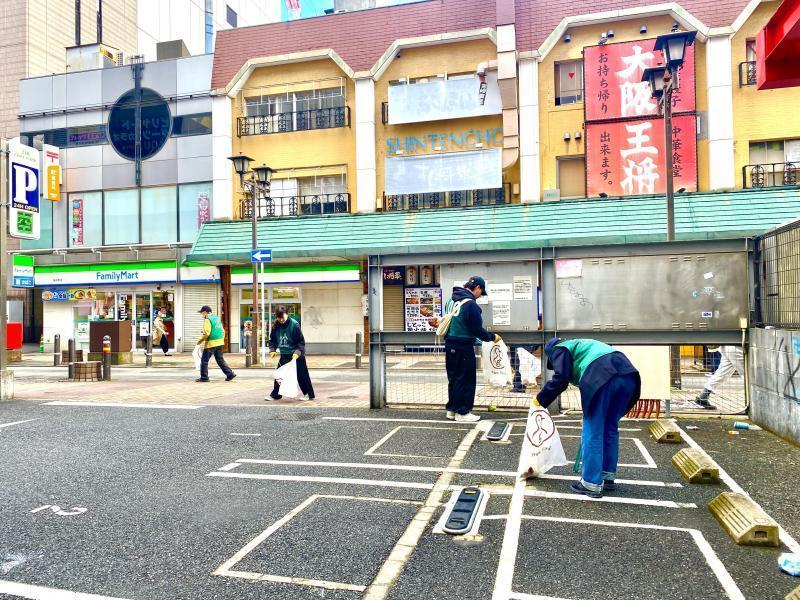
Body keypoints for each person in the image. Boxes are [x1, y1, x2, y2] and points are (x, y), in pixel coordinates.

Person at [536, 337, 641, 498]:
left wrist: (540, 400)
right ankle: (607, 476)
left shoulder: (560, 348)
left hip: (602, 374)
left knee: (593, 428)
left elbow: (562, 378)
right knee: (610, 427)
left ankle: (591, 483)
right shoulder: (582, 345)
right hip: (628, 374)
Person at [443, 276, 500, 422]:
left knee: (454, 378)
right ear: (478, 288)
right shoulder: (471, 305)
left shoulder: (451, 301)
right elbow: (476, 330)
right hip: (463, 346)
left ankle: (452, 409)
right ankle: (463, 412)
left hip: (450, 345)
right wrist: (491, 337)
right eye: (481, 292)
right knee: (466, 379)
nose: (480, 296)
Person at [267, 306, 315, 400]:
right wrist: (272, 350)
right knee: (280, 374)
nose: (281, 320)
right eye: (279, 318)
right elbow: (272, 340)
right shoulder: (275, 325)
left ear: (287, 315)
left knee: (302, 375)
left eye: (283, 317)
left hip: (296, 355)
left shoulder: (294, 324)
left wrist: (297, 352)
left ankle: (309, 394)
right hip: (284, 353)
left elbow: (301, 342)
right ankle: (276, 394)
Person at [695, 345, 744, 410]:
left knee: (721, 374)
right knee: (749, 375)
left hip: (726, 347)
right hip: (737, 347)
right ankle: (753, 406)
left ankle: (703, 397)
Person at [196, 305, 236, 383]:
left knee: (204, 361)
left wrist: (200, 341)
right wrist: (221, 339)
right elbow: (223, 331)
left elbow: (207, 333)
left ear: (205, 312)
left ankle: (204, 377)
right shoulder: (216, 318)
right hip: (219, 342)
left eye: (202, 313)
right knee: (220, 360)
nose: (201, 315)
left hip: (211, 343)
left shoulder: (207, 320)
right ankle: (230, 374)